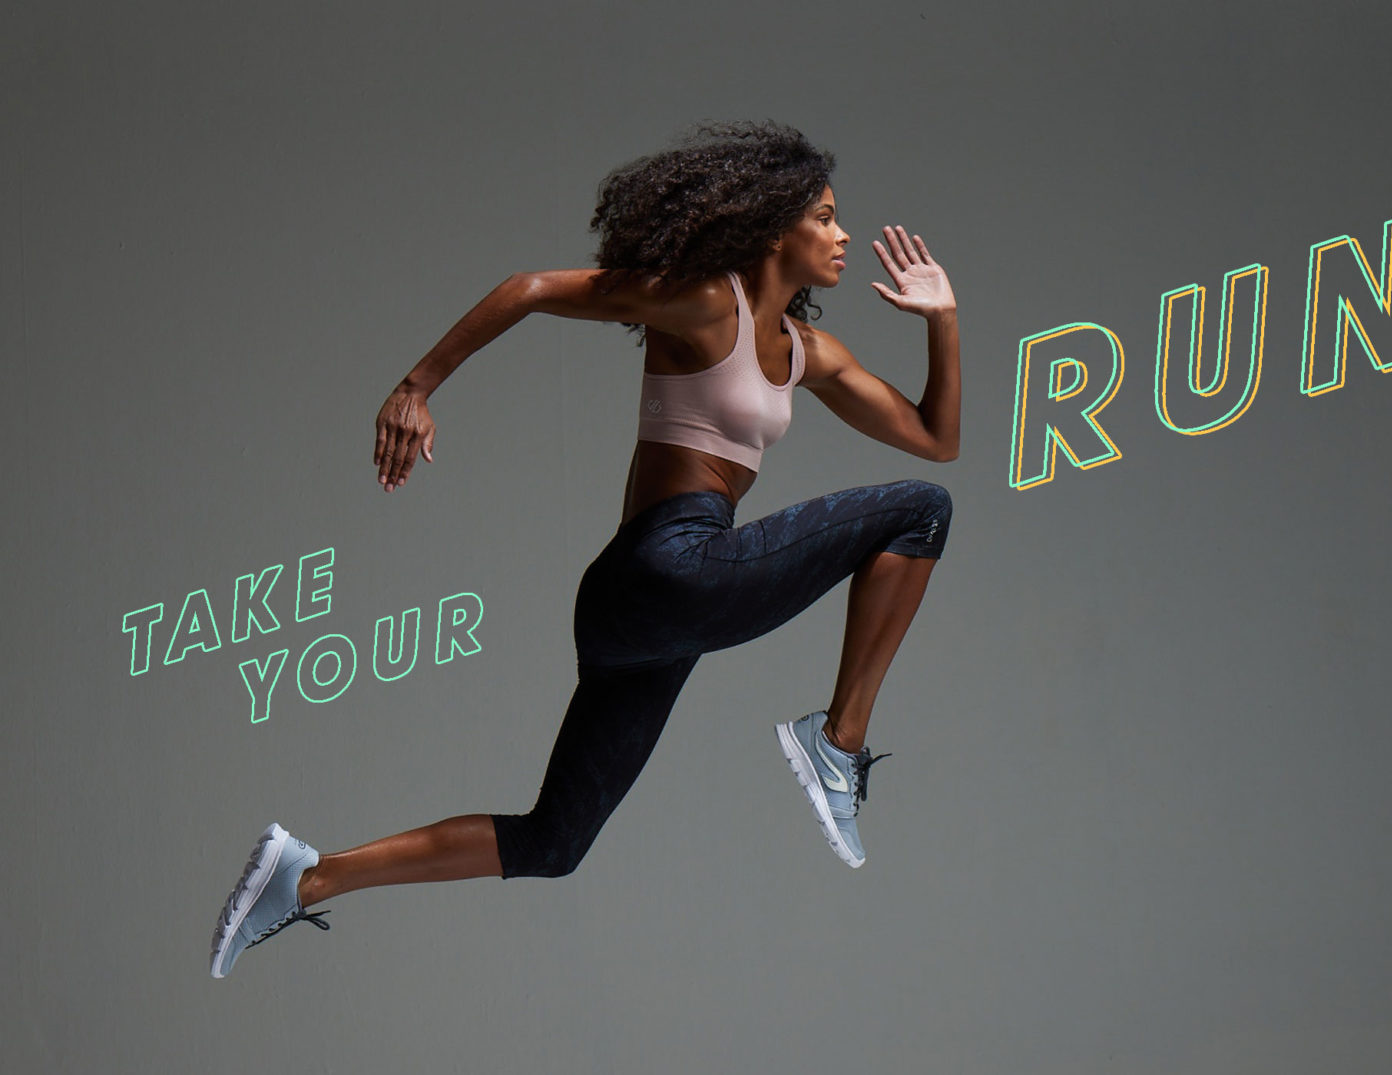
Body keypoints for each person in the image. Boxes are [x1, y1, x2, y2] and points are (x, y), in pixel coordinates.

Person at [210, 122, 959, 979]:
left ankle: (305, 877)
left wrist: (944, 318)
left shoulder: (810, 353)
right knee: (919, 513)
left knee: (556, 840)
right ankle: (837, 744)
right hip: (666, 565)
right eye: (825, 218)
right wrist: (415, 388)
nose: (843, 236)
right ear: (773, 227)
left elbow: (937, 436)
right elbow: (528, 287)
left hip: (646, 614)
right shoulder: (707, 303)